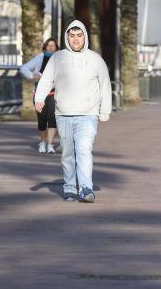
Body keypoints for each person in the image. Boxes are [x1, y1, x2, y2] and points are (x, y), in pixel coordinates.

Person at [34, 20, 111, 203]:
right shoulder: (58, 58)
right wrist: (39, 99)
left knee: (84, 150)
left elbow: (105, 85)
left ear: (85, 36)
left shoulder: (95, 59)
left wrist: (104, 111)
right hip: (63, 114)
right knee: (68, 153)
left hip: (88, 114)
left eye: (79, 35)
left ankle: (86, 188)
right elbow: (46, 80)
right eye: (72, 35)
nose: (75, 39)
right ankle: (69, 187)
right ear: (67, 37)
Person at [20, 37, 59, 154]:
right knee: (42, 120)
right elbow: (23, 68)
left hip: (54, 93)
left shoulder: (61, 60)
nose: (51, 47)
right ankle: (42, 142)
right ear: (45, 47)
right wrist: (32, 76)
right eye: (49, 45)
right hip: (39, 94)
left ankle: (50, 144)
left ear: (57, 48)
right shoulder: (39, 58)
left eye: (53, 45)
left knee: (52, 119)